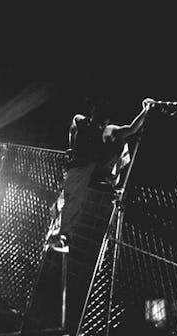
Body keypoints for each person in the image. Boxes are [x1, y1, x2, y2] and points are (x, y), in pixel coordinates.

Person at [46, 98, 154, 253]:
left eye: (103, 120)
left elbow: (132, 129)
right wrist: (72, 148)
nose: (100, 123)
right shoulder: (81, 121)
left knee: (72, 198)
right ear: (93, 114)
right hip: (82, 168)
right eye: (98, 118)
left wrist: (146, 110)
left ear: (106, 120)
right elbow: (73, 129)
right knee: (69, 197)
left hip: (93, 169)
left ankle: (61, 233)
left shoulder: (107, 130)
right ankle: (59, 231)